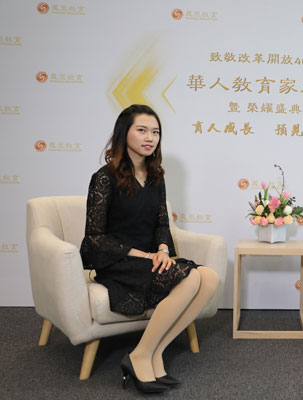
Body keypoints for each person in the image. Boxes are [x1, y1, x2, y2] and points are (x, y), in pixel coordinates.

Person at [80, 104, 219, 394]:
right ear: (124, 133)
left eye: (155, 132)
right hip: (118, 261)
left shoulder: (156, 176)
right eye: (142, 130)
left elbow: (161, 223)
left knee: (210, 278)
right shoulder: (104, 177)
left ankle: (154, 352)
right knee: (191, 277)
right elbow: (95, 238)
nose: (150, 138)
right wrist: (145, 255)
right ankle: (140, 356)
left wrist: (163, 250)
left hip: (150, 258)